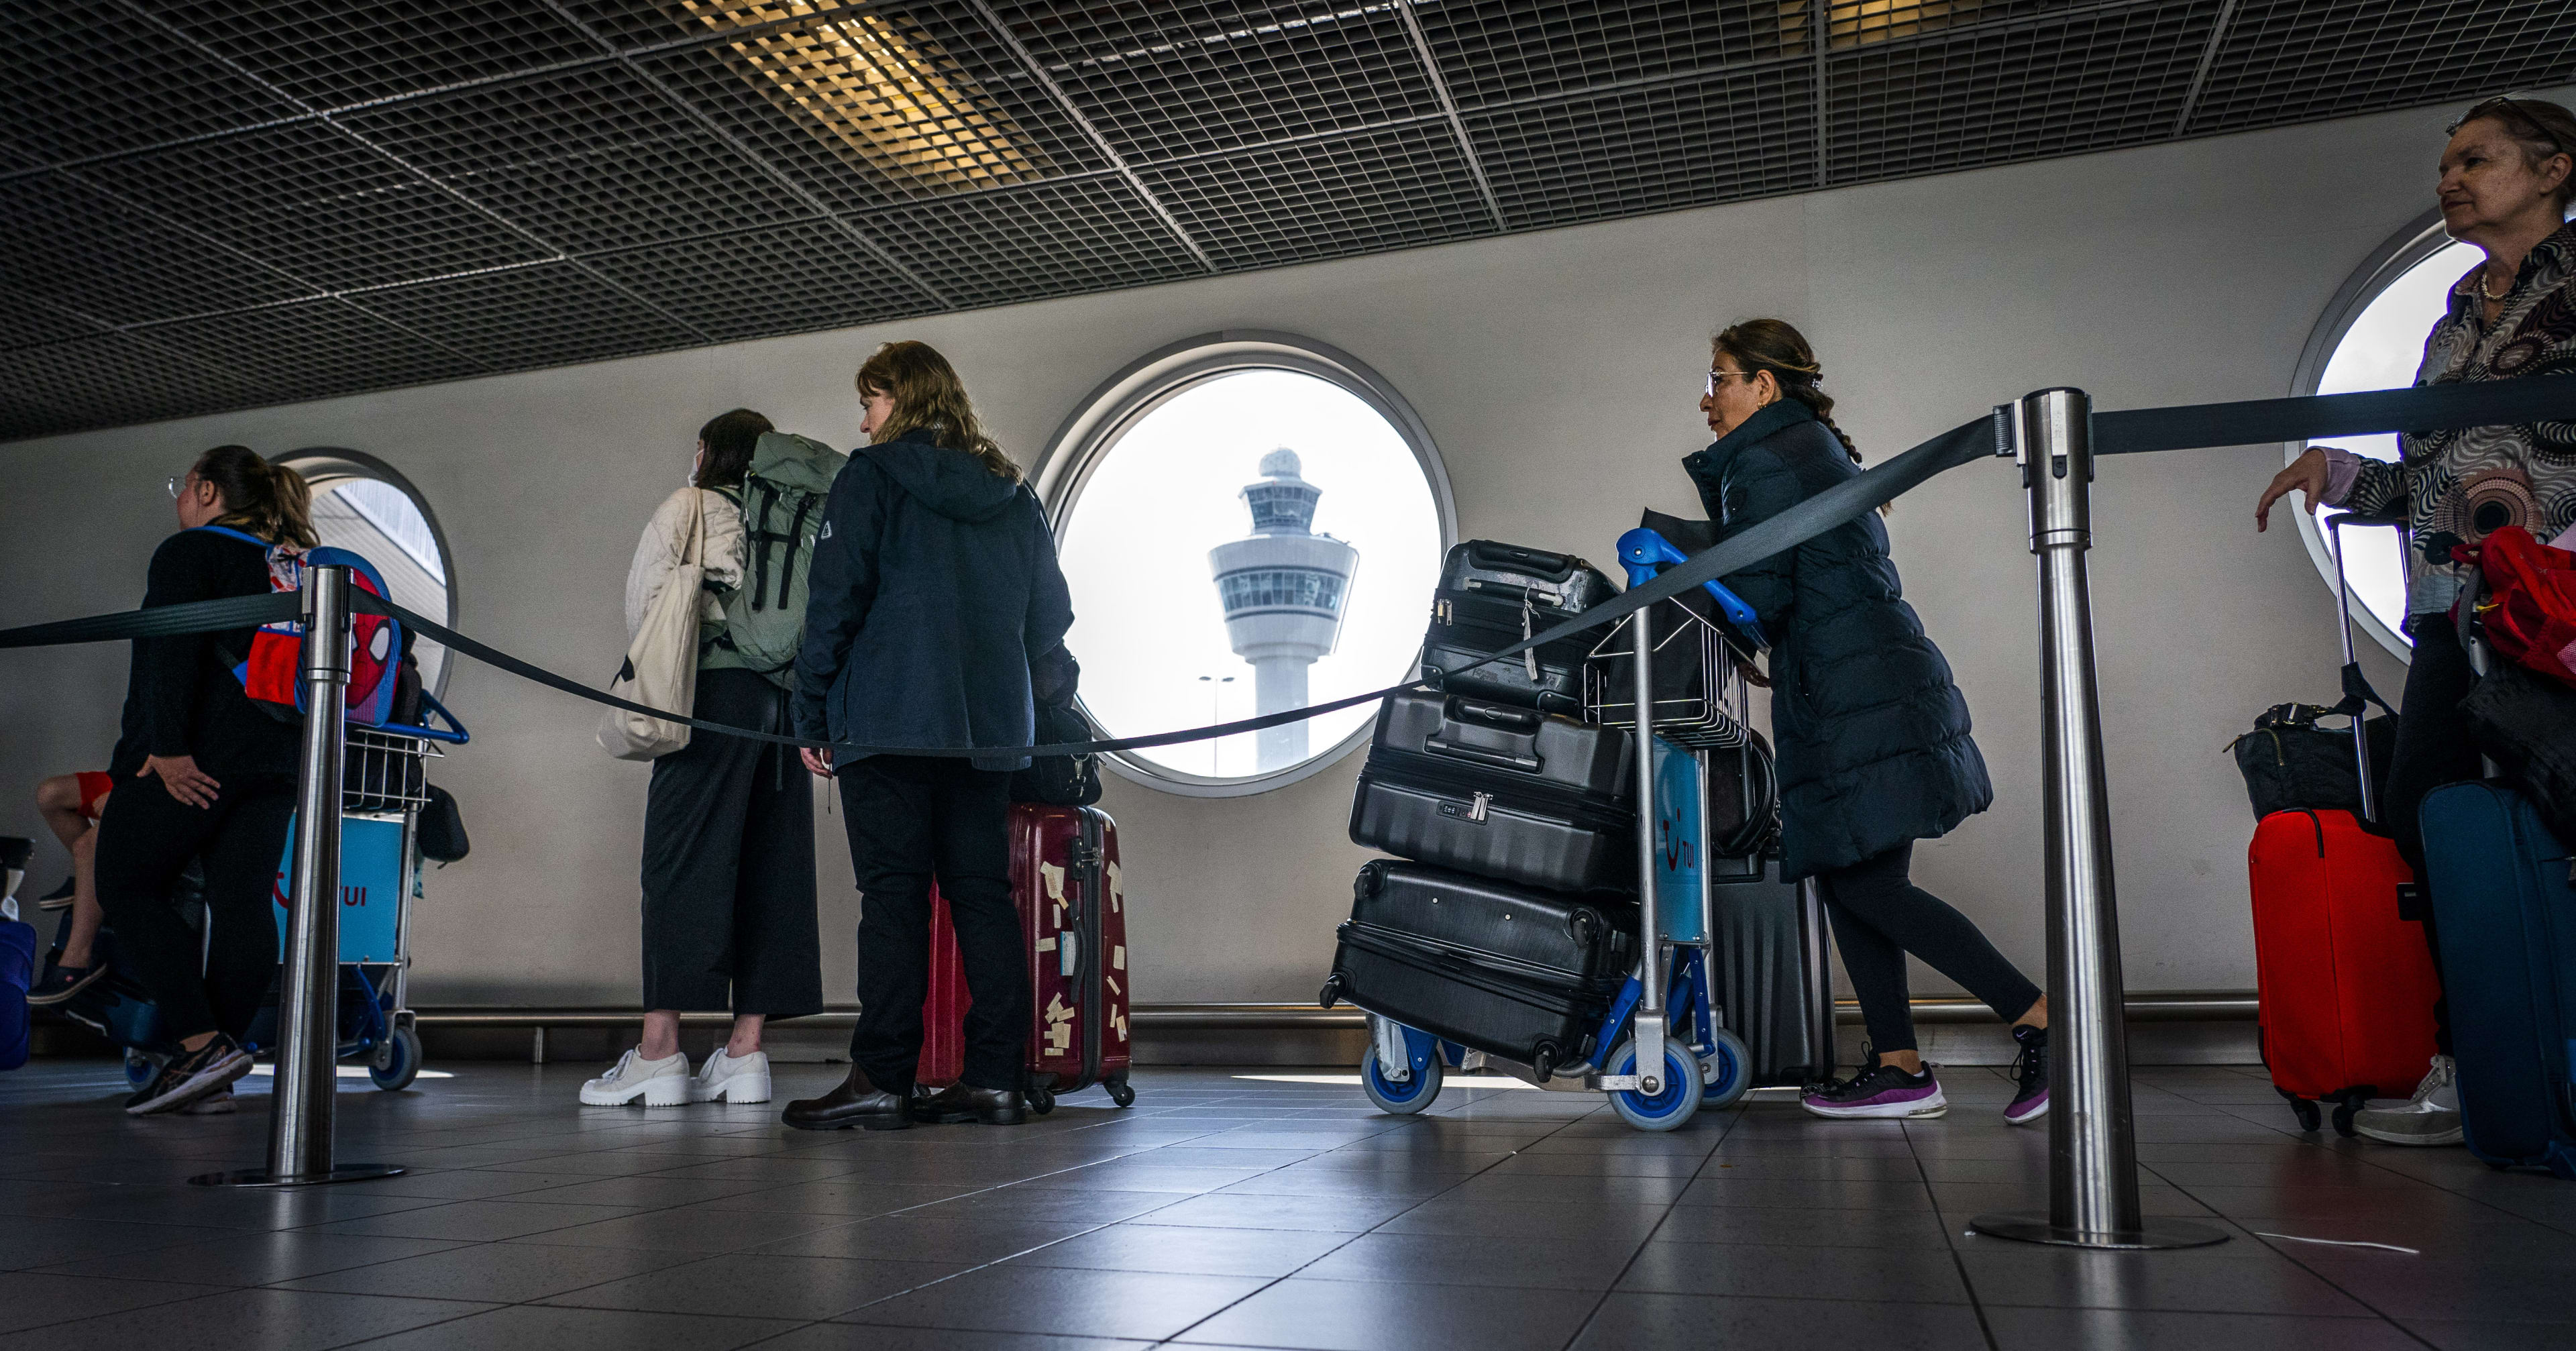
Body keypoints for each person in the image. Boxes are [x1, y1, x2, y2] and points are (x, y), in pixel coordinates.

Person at [2256, 95, 2576, 1148]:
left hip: (2558, 608)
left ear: (2553, 170)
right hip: (2453, 610)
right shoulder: (2451, 318)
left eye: (2476, 160)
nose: (2450, 179)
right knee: (2424, 816)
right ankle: (2474, 1052)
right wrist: (2342, 471)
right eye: (2447, 164)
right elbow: (2433, 480)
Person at [1688, 319, 2050, 1122]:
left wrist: (1683, 579)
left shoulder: (1762, 459)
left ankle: (2041, 1020)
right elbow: (1793, 584)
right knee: (1859, 878)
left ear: (1764, 386)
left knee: (1861, 881)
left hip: (1851, 696)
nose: (1706, 398)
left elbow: (1763, 588)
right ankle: (1900, 1067)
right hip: (1869, 680)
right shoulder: (1811, 448)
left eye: (1720, 378)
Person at [781, 341, 1075, 1132]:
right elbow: (1050, 620)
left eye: (871, 401)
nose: (865, 419)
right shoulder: (1013, 493)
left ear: (902, 400)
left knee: (894, 899)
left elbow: (835, 604)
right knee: (983, 895)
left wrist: (810, 714)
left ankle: (882, 1078)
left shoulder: (870, 478)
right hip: (986, 730)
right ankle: (994, 1078)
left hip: (889, 719)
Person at [580, 409, 830, 1108]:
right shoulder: (785, 517)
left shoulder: (689, 506)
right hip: (782, 705)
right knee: (772, 868)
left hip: (710, 694)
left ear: (705, 452)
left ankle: (659, 1052)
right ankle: (745, 1053)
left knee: (681, 861)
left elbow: (646, 611)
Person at [91, 446, 312, 1115]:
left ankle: (201, 1044)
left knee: (125, 881)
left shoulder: (188, 554)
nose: (178, 499)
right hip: (276, 760)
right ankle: (211, 1057)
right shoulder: (288, 565)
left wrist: (166, 749)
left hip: (197, 759)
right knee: (242, 902)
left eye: (183, 487)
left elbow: (172, 651)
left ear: (209, 491)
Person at [24, 771, 114, 1006]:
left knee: (89, 846)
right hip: (136, 775)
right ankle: (93, 878)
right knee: (51, 794)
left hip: (171, 783)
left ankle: (79, 959)